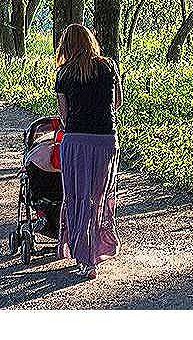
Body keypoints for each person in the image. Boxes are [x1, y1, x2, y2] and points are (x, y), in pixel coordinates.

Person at [54, 23, 123, 280]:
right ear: (90, 42)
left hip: (76, 141)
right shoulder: (108, 67)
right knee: (98, 197)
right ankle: (98, 248)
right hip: (105, 139)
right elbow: (117, 102)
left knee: (78, 197)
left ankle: (85, 259)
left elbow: (64, 115)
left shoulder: (63, 74)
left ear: (66, 46)